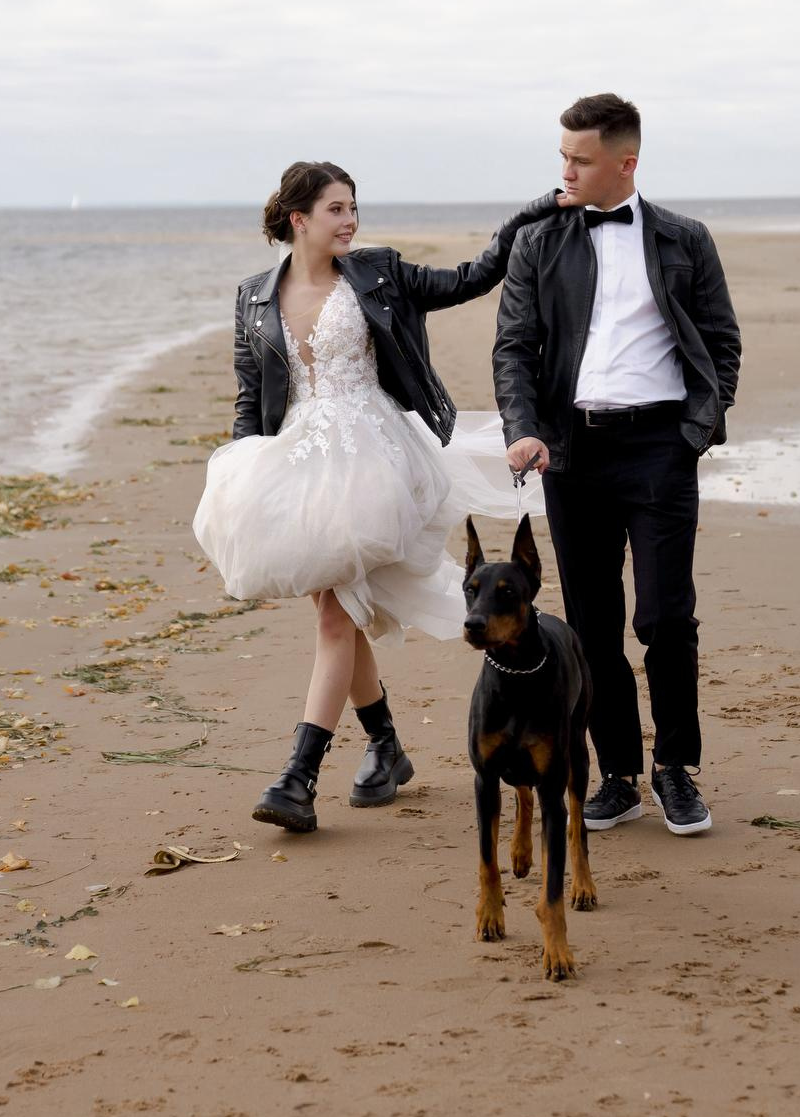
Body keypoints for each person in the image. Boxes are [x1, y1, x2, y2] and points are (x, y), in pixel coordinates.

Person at [194, 162, 567, 832]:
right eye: (336, 209)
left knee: (337, 615)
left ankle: (298, 778)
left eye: (354, 207)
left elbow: (469, 278)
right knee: (342, 611)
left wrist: (533, 211)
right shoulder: (254, 297)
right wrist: (242, 476)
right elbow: (253, 397)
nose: (350, 221)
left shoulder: (378, 272)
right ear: (297, 218)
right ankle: (386, 746)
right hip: (302, 468)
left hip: (377, 463)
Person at [493, 94, 741, 836]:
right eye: (561, 155)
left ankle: (675, 769)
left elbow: (722, 342)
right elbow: (513, 348)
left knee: (666, 618)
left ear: (624, 163)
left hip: (662, 448)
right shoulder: (538, 241)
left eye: (580, 159)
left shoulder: (685, 239)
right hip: (572, 453)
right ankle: (620, 775)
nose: (564, 170)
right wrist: (524, 428)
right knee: (593, 626)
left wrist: (699, 427)